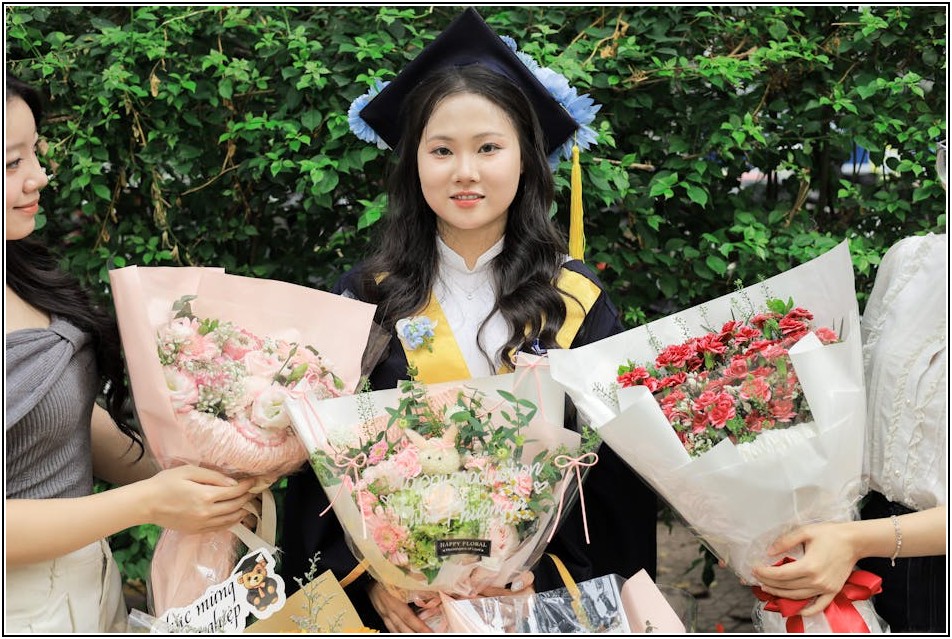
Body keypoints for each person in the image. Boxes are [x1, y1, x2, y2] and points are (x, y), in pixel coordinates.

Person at [281, 8, 658, 633]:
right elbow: (319, 480)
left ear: (525, 157)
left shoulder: (574, 300)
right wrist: (371, 581)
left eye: (488, 147)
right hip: (406, 618)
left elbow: (615, 487)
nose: (465, 171)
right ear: (413, 162)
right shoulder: (366, 299)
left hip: (532, 609)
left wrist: (540, 579)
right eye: (441, 150)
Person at [5, 72, 258, 633]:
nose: (39, 176)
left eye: (35, 153)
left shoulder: (18, 267)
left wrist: (205, 472)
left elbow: (58, 417)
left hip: (89, 584)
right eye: (12, 163)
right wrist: (147, 502)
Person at [753, 160, 947, 630]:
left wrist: (854, 541)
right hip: (856, 549)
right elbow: (855, 410)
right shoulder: (911, 262)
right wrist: (769, 521)